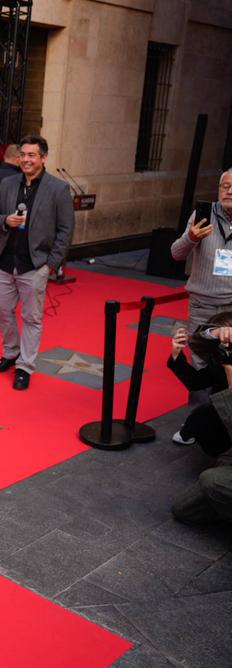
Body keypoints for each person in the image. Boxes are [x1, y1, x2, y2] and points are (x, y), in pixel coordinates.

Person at [0, 134, 76, 390]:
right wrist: (5, 220)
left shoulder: (58, 189)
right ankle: (11, 352)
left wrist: (51, 265)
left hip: (35, 264)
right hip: (4, 261)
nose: (26, 159)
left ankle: (25, 366)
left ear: (43, 158)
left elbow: (65, 230)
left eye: (31, 155)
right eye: (23, 154)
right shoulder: (7, 184)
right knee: (1, 311)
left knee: (32, 318)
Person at [170, 169, 232, 443]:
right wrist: (192, 238)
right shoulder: (203, 214)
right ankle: (195, 422)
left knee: (227, 363)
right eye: (225, 186)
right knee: (199, 360)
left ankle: (224, 420)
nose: (229, 191)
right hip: (203, 303)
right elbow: (175, 253)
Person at [170, 319, 232, 525]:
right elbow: (195, 381)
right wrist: (177, 354)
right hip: (220, 426)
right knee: (182, 509)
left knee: (211, 481)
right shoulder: (222, 363)